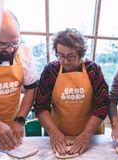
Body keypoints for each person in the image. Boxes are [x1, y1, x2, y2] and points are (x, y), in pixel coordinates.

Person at [34, 28, 109, 156]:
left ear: (81, 54)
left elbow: (102, 106)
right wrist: (54, 133)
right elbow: (41, 107)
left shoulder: (93, 70)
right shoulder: (51, 70)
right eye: (61, 55)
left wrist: (86, 135)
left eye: (71, 56)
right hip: (58, 133)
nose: (65, 61)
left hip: (90, 135)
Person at [0, 10, 38, 151]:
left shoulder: (24, 53)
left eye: (15, 43)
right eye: (2, 44)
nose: (10, 50)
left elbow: (30, 89)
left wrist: (20, 120)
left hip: (13, 129)